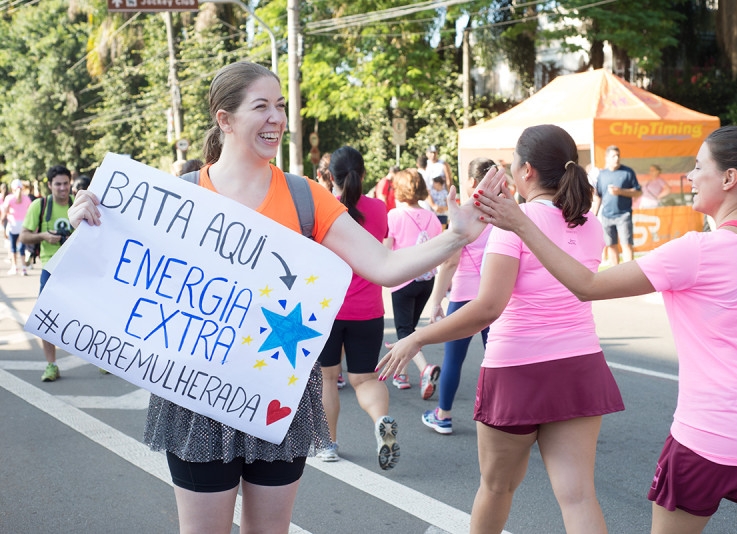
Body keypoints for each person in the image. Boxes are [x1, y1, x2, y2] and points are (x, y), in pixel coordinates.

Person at [67, 61, 500, 534]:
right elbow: (121, 279)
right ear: (225, 119)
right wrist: (89, 222)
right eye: (261, 106)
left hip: (279, 395)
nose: (276, 118)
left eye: (280, 106)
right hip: (195, 399)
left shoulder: (304, 197)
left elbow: (384, 265)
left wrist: (457, 235)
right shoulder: (179, 197)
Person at [473, 125, 737, 534]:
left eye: (699, 168)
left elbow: (586, 286)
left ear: (730, 179)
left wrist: (521, 225)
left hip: (706, 440)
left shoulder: (695, 251)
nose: (690, 177)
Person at [379, 125, 623, 534]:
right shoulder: (590, 224)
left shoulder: (517, 222)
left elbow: (488, 307)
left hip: (517, 368)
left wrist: (417, 336)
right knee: (579, 495)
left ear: (526, 171)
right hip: (580, 363)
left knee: (496, 488)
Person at [315, 145, 399, 469]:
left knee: (327, 378)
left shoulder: (323, 209)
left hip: (329, 309)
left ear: (329, 177)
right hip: (369, 310)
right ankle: (381, 420)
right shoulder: (379, 210)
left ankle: (328, 444)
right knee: (365, 380)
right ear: (363, 175)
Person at [421, 158, 495, 435]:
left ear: (472, 183)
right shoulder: (507, 213)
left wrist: (436, 300)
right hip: (496, 296)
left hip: (465, 296)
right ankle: (508, 416)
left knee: (454, 359)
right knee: (498, 360)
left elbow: (450, 262)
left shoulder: (465, 214)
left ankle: (444, 415)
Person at [384, 169, 442, 397]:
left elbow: (386, 249)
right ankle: (401, 375)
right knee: (408, 330)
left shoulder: (393, 216)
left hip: (403, 278)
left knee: (405, 330)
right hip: (427, 279)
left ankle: (424, 369)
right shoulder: (433, 218)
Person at [20, 166, 73, 382]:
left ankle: (100, 361)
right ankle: (51, 364)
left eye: (65, 183)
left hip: (78, 269)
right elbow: (23, 237)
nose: (62, 188)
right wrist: (43, 236)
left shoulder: (78, 203)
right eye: (57, 184)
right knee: (46, 318)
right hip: (50, 267)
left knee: (92, 316)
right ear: (49, 185)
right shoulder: (39, 206)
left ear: (71, 183)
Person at [593, 145, 641, 264]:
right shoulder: (602, 174)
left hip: (624, 215)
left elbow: (638, 192)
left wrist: (620, 191)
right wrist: (593, 215)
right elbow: (598, 196)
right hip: (606, 217)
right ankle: (616, 275)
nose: (617, 158)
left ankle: (630, 274)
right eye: (613, 156)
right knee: (611, 246)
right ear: (607, 158)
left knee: (626, 245)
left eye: (618, 155)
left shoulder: (627, 172)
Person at [2, 179, 32, 276]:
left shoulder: (9, 198)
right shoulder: (27, 198)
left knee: (13, 247)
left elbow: (5, 212)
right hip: (23, 225)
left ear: (12, 188)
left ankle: (14, 267)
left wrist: (3, 220)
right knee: (22, 248)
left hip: (13, 225)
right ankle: (24, 268)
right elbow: (30, 211)